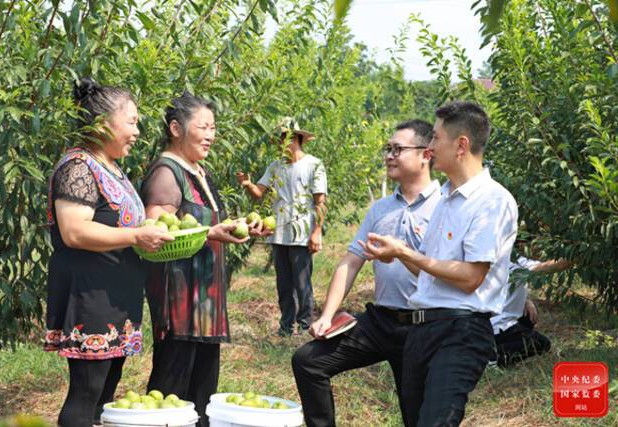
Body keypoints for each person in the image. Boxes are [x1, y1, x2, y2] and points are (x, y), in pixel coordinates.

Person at [360, 101, 518, 426]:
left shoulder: (492, 201)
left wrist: (405, 253)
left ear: (461, 145)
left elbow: (471, 277)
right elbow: (431, 274)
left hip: (460, 331)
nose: (429, 147)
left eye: (435, 138)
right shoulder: (446, 199)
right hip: (423, 330)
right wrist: (399, 256)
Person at [291, 120, 440, 427]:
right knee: (308, 361)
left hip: (424, 327)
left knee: (418, 416)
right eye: (388, 149)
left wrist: (400, 251)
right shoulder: (381, 209)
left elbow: (439, 276)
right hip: (380, 322)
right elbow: (351, 261)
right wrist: (327, 315)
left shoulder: (445, 207)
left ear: (427, 154)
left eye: (398, 149)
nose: (389, 155)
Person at [43, 77, 173, 427]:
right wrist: (134, 236)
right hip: (91, 296)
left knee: (104, 392)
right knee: (86, 392)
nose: (137, 132)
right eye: (131, 122)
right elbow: (74, 230)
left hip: (117, 297)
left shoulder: (112, 169)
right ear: (102, 124)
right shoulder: (78, 167)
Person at [140, 92, 266, 427]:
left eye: (214, 127)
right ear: (176, 129)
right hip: (180, 298)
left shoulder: (197, 170)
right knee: (172, 387)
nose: (211, 134)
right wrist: (212, 233)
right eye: (204, 126)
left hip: (204, 298)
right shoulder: (167, 173)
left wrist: (238, 227)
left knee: (202, 390)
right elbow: (158, 233)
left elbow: (201, 224)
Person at [236, 117, 327, 336]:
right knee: (284, 284)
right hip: (278, 233)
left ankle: (305, 326)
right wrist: (248, 184)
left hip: (301, 233)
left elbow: (320, 202)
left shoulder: (314, 165)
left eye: (284, 138)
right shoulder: (275, 167)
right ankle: (286, 326)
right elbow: (259, 193)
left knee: (302, 282)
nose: (280, 143)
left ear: (295, 139)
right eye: (279, 139)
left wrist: (316, 232)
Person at [492, 255, 570, 368]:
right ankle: (493, 358)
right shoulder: (507, 259)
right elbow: (551, 266)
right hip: (497, 325)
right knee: (541, 343)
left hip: (491, 321)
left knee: (528, 317)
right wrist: (578, 256)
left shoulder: (510, 257)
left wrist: (525, 300)